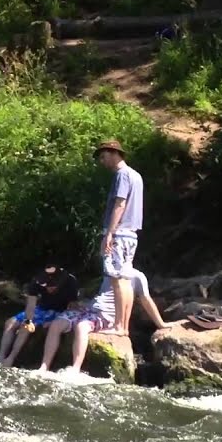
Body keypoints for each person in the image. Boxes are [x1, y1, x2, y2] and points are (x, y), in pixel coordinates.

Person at [37, 268, 179, 375]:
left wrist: (161, 324)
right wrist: (83, 305)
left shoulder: (137, 276)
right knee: (56, 324)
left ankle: (75, 368)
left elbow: (146, 300)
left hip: (107, 315)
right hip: (90, 309)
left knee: (82, 326)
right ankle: (44, 367)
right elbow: (101, 297)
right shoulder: (108, 272)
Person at [95, 139, 144, 336]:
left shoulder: (122, 175)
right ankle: (123, 326)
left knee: (117, 280)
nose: (101, 161)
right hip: (132, 235)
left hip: (120, 234)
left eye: (103, 156)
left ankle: (118, 326)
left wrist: (109, 234)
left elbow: (120, 204)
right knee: (125, 279)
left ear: (114, 153)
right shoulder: (136, 175)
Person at [0, 264, 79, 367]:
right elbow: (31, 305)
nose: (48, 288)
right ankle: (1, 355)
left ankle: (11, 358)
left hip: (60, 311)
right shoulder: (37, 281)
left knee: (25, 328)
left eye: (52, 285)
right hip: (42, 308)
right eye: (46, 285)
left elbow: (72, 307)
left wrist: (55, 322)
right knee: (11, 323)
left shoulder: (70, 281)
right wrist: (28, 321)